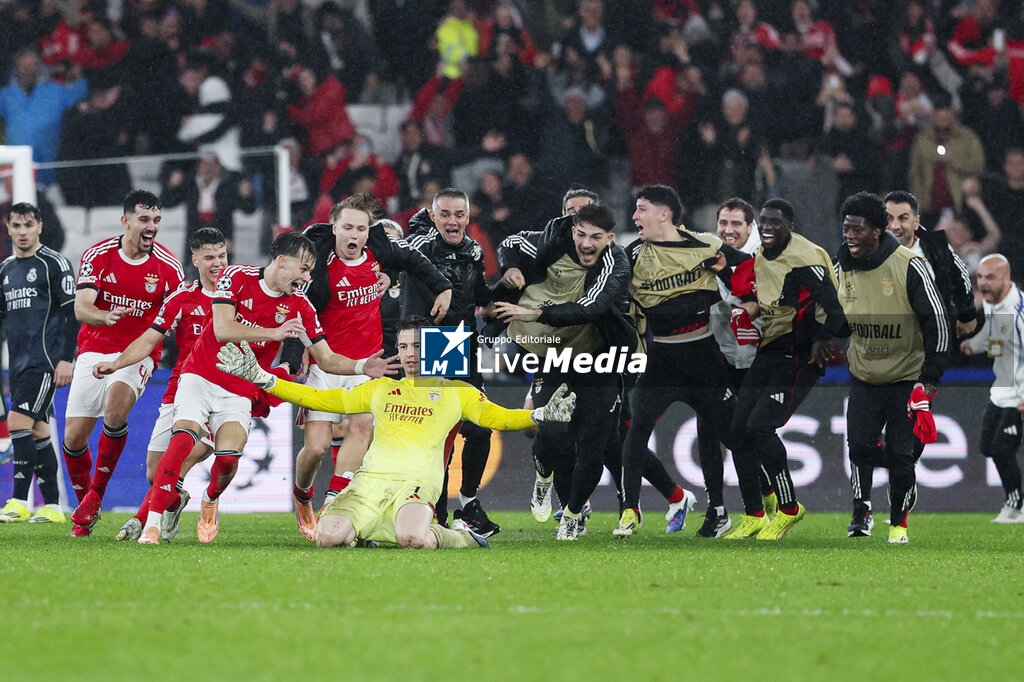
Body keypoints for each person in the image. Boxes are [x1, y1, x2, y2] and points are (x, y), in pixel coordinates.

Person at [213, 316, 576, 549]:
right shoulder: (381, 388)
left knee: (413, 538)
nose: (409, 353)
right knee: (327, 537)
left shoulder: (457, 392)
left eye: (417, 346)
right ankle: (367, 529)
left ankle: (463, 538)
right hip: (369, 482)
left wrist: (539, 414)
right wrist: (264, 379)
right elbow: (320, 397)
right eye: (403, 346)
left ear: (433, 347)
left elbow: (498, 417)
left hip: (416, 484)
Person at [136, 232, 399, 545]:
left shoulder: (300, 306)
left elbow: (325, 357)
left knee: (229, 458)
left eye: (310, 271)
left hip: (240, 389)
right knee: (183, 437)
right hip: (202, 375)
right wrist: (274, 332)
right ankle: (152, 526)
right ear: (282, 261)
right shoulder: (236, 276)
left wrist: (360, 366)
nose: (306, 278)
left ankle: (210, 498)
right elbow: (222, 329)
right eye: (303, 269)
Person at [280, 194, 452, 541]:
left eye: (360, 228)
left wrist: (443, 287)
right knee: (315, 448)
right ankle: (302, 494)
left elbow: (414, 260)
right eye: (347, 228)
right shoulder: (316, 263)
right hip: (326, 361)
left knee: (361, 430)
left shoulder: (378, 253)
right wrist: (292, 354)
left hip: (367, 364)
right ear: (335, 228)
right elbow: (298, 309)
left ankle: (335, 500)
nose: (353, 235)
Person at [494, 203, 635, 540]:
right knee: (552, 435)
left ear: (609, 238)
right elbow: (510, 243)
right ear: (573, 230)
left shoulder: (615, 262)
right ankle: (543, 472)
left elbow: (594, 307)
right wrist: (510, 267)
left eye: (596, 238)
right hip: (554, 354)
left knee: (594, 444)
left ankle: (572, 514)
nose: (587, 244)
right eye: (582, 234)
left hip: (601, 356)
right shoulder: (553, 238)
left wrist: (535, 313)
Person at [617, 185, 750, 539]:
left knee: (730, 436)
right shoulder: (632, 254)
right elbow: (609, 292)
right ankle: (629, 510)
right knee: (636, 429)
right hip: (661, 359)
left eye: (641, 209)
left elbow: (748, 272)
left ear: (664, 214)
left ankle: (739, 509)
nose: (635, 216)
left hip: (704, 359)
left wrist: (740, 288)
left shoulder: (704, 244)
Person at [91, 228, 229, 542]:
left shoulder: (240, 295)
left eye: (222, 255)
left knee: (178, 462)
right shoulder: (181, 299)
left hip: (221, 392)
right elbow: (150, 339)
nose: (217, 263)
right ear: (195, 260)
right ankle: (174, 501)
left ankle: (142, 522)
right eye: (209, 257)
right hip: (181, 388)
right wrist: (117, 362)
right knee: (155, 472)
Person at [64, 190, 185, 537]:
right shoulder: (98, 255)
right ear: (126, 221)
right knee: (73, 439)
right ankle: (85, 501)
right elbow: (81, 306)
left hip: (138, 353)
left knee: (116, 410)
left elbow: (178, 315)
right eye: (145, 220)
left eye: (157, 220)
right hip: (93, 348)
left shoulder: (168, 266)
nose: (152, 227)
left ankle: (94, 499)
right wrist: (104, 315)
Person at [725, 198, 847, 540]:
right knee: (737, 431)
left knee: (761, 428)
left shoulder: (805, 257)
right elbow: (778, 302)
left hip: (800, 355)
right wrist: (754, 310)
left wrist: (822, 338)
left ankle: (789, 508)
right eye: (763, 221)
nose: (767, 227)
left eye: (775, 222)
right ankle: (755, 514)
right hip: (771, 349)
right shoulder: (762, 257)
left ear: (789, 226)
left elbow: (837, 314)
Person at [836, 192, 949, 543]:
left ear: (877, 230)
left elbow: (939, 323)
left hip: (906, 380)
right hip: (865, 378)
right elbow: (833, 318)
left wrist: (930, 378)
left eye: (857, 229)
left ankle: (898, 524)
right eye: (846, 229)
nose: (849, 235)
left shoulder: (909, 265)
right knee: (858, 449)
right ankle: (863, 508)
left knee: (901, 454)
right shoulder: (841, 267)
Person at [403, 188, 498, 535]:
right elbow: (396, 252)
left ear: (468, 218)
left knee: (479, 428)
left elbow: (481, 298)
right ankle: (436, 513)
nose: (452, 221)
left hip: (463, 342)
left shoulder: (473, 251)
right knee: (437, 434)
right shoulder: (421, 246)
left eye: (459, 214)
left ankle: (468, 503)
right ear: (433, 217)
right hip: (432, 342)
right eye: (444, 214)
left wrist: (508, 291)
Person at [693, 197, 769, 538]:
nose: (728, 230)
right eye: (723, 223)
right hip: (721, 359)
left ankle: (766, 495)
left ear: (750, 227)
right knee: (709, 430)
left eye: (736, 224)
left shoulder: (763, 260)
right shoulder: (711, 254)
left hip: (756, 360)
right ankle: (717, 510)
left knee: (748, 433)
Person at [0, 203, 76, 524]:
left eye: (28, 225)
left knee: (17, 422)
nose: (22, 232)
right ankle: (54, 507)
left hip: (45, 362)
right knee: (37, 430)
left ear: (40, 227)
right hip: (17, 364)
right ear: (8, 229)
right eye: (16, 226)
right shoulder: (5, 269)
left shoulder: (55, 264)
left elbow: (71, 316)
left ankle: (18, 501)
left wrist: (66, 359)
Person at [961, 255, 1024, 522]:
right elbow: (997, 334)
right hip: (1000, 390)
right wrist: (973, 344)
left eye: (991, 277)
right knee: (988, 446)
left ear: (1006, 278)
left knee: (1002, 449)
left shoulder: (1019, 313)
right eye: (980, 277)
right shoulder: (992, 302)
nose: (983, 283)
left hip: (1018, 396)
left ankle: (1016, 506)